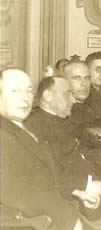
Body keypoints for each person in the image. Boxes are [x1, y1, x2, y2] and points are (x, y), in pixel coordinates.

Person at [26, 76, 101, 229]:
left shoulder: (66, 122)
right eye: (67, 94)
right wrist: (87, 185)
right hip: (74, 198)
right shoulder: (37, 126)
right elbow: (50, 171)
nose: (73, 100)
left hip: (94, 186)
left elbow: (85, 154)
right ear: (48, 96)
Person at [0, 69, 84, 230]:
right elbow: (21, 195)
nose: (25, 98)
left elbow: (48, 173)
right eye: (15, 91)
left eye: (29, 91)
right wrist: (68, 217)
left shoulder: (20, 127)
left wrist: (78, 191)